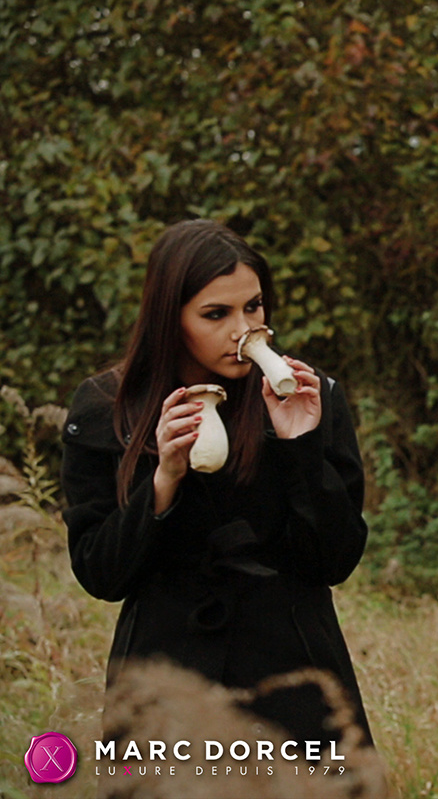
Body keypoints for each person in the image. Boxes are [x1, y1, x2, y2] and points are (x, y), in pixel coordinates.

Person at [61, 219, 373, 750]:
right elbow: (101, 572)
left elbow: (335, 561)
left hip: (293, 677)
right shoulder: (109, 409)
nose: (242, 329)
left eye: (254, 307)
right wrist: (164, 479)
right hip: (165, 679)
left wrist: (301, 447)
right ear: (169, 318)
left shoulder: (307, 397)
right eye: (216, 314)